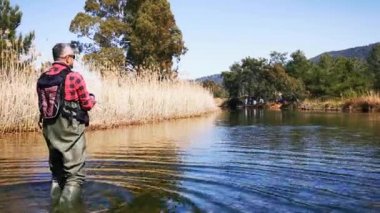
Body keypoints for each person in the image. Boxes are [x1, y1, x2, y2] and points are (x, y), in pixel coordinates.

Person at [36, 43, 96, 211]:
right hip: (70, 130)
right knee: (74, 177)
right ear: (67, 58)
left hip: (49, 130)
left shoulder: (42, 78)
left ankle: (54, 208)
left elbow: (43, 106)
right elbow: (86, 104)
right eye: (73, 57)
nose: (74, 61)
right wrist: (93, 98)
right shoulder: (74, 77)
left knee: (56, 176)